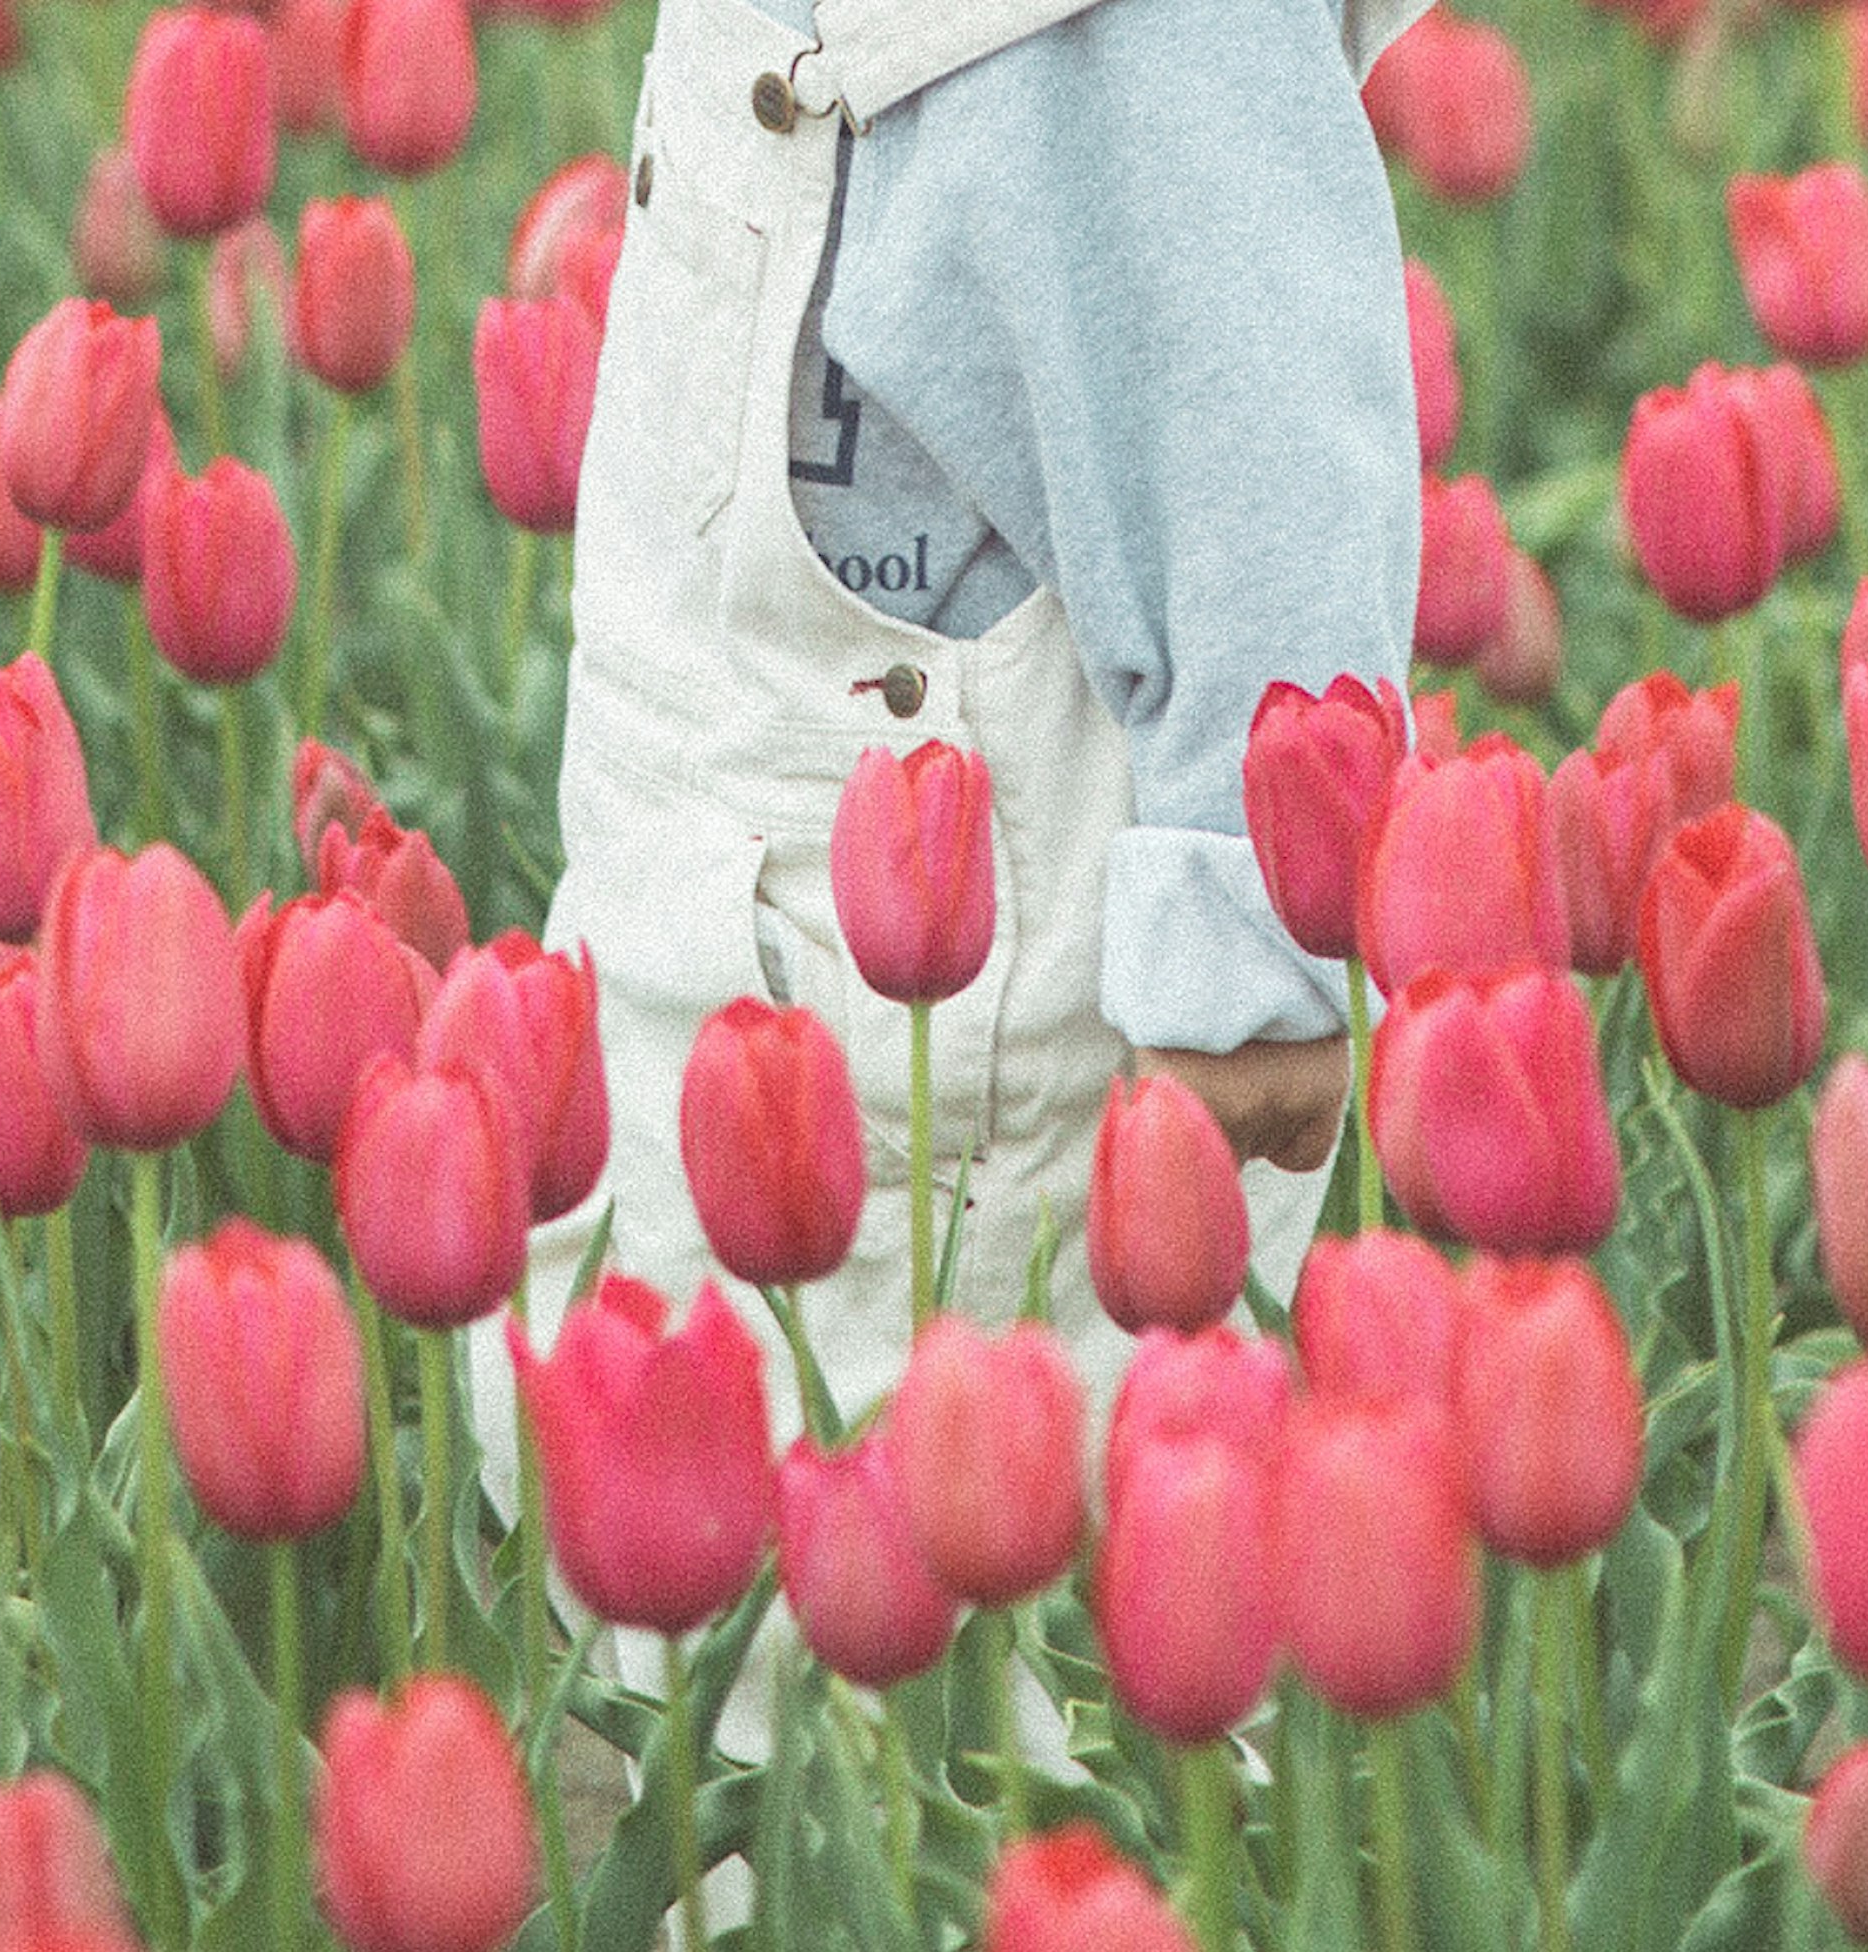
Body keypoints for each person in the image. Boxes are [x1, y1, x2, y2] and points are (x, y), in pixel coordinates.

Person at [520, 0, 1434, 1428]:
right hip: (714, 882)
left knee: (927, 1537)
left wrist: (1258, 938)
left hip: (920, 1029)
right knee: (694, 1494)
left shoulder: (1132, 40)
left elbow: (1244, 415)